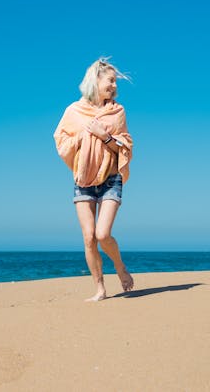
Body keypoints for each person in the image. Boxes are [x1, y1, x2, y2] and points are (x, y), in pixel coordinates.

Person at [54, 57, 135, 301]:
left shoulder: (117, 111)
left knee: (102, 234)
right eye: (110, 80)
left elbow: (126, 146)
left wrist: (104, 136)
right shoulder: (74, 111)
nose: (114, 85)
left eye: (115, 82)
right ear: (96, 81)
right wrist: (81, 136)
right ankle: (100, 289)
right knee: (88, 237)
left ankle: (120, 266)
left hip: (111, 179)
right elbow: (61, 140)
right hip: (84, 180)